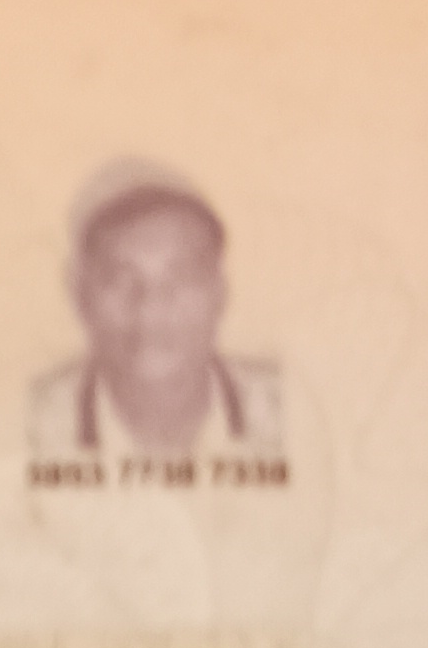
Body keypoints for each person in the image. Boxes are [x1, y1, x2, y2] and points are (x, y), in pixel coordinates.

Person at [26, 162, 282, 466]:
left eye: (181, 277)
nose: (150, 308)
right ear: (81, 295)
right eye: (121, 280)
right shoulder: (29, 423)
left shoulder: (287, 408)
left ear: (220, 294)